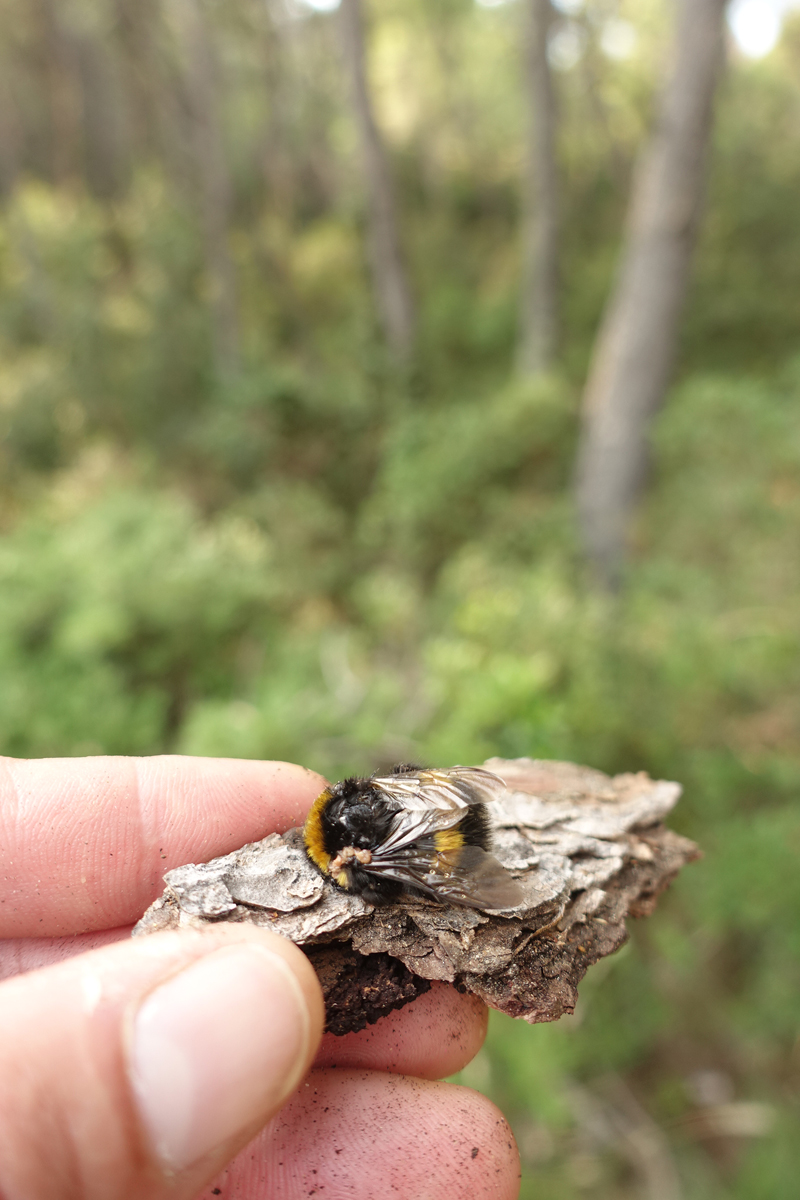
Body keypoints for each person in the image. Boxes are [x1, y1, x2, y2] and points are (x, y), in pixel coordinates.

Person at [0, 755, 520, 1199]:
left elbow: (381, 890)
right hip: (445, 818)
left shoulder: (358, 849)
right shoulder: (373, 794)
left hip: (443, 848)